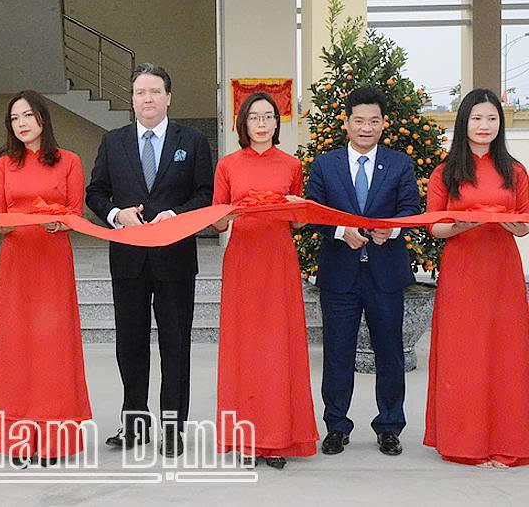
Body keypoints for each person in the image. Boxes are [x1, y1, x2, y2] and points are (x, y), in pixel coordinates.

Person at [85, 63, 214, 457]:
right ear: (132, 99)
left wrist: (176, 216)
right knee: (130, 345)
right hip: (128, 261)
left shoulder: (192, 141)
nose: (148, 99)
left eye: (155, 91)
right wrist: (115, 214)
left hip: (175, 260)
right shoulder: (114, 142)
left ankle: (173, 429)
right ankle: (134, 423)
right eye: (140, 92)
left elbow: (205, 194)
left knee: (175, 345)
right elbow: (95, 192)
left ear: (168, 98)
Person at [306, 86, 419, 457]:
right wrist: (342, 231)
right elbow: (313, 211)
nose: (366, 128)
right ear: (346, 122)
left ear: (384, 123)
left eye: (374, 121)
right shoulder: (326, 165)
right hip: (340, 276)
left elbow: (410, 208)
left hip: (386, 275)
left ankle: (389, 426)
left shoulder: (399, 164)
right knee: (338, 354)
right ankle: (336, 426)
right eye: (359, 120)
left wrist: (393, 230)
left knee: (390, 353)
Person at [424, 88, 529, 468]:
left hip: (503, 271)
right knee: (464, 355)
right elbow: (433, 227)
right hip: (462, 271)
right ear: (463, 123)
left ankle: (507, 441)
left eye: (492, 118)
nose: (485, 126)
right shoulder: (446, 172)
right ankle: (465, 443)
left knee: (506, 354)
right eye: (477, 118)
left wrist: (512, 223)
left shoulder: (515, 171)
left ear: (501, 123)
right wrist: (461, 224)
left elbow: (524, 222)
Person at [211, 93, 317, 469]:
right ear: (243, 123)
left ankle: (277, 437)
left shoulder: (291, 164)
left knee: (278, 347)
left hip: (278, 261)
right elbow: (217, 222)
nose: (261, 123)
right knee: (244, 347)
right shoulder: (228, 165)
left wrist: (296, 207)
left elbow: (299, 222)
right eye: (254, 116)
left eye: (268, 116)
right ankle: (244, 437)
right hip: (242, 261)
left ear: (277, 122)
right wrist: (229, 212)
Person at [0, 91, 91, 467]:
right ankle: (19, 437)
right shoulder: (3, 164)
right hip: (17, 262)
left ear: (43, 119)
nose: (21, 123)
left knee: (53, 346)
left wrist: (58, 222)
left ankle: (54, 437)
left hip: (53, 260)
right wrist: (10, 223)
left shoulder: (69, 161)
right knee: (17, 347)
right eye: (14, 118)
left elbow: (76, 214)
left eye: (28, 115)